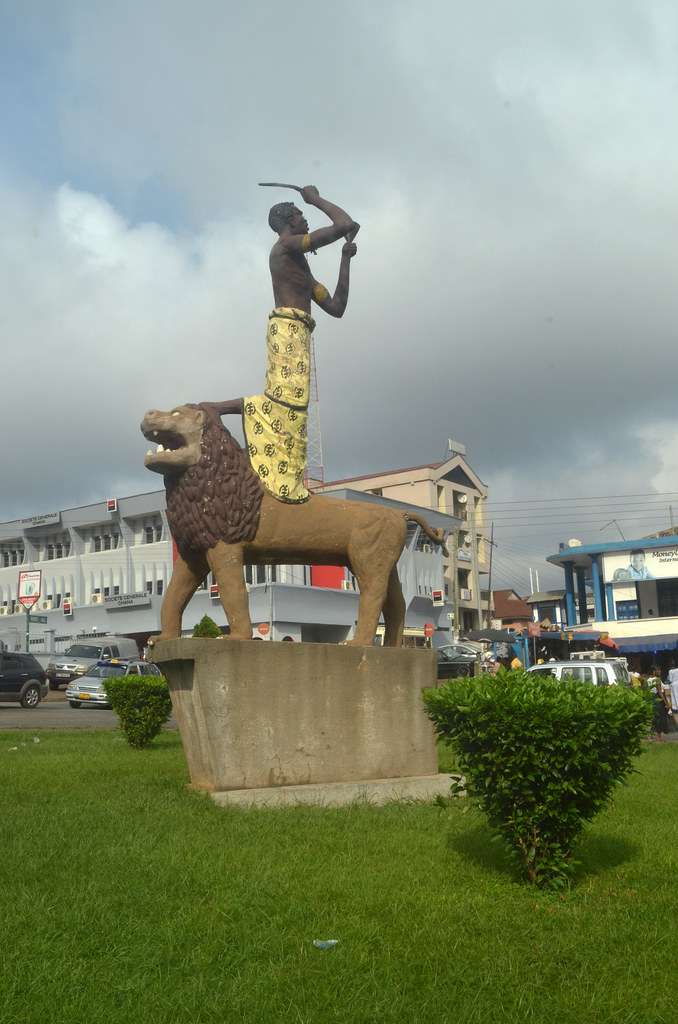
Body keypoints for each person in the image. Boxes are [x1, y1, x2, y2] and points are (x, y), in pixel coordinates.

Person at [240, 186, 359, 503]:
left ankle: (285, 472)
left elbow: (335, 307)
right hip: (289, 331)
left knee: (295, 406)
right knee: (288, 403)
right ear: (288, 220)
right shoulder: (285, 248)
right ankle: (276, 469)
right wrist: (316, 199)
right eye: (301, 214)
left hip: (299, 333)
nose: (305, 218)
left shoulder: (301, 271)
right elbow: (344, 225)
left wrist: (345, 260)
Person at [648, 666, 673, 741]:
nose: (660, 671)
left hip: (652, 699)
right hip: (659, 700)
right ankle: (658, 737)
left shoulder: (649, 679)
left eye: (660, 670)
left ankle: (650, 735)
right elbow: (660, 693)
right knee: (660, 719)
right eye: (658, 670)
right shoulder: (657, 680)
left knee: (655, 719)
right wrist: (666, 704)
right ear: (653, 671)